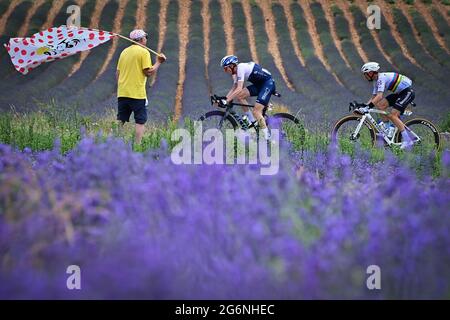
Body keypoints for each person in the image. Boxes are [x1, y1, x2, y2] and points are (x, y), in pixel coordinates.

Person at [116, 29, 166, 145]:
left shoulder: (124, 52)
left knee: (121, 120)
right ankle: (137, 146)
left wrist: (122, 86)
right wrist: (159, 62)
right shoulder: (143, 52)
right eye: (145, 37)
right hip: (137, 93)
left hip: (122, 92)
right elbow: (148, 72)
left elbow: (117, 73)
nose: (146, 40)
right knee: (140, 120)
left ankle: (114, 143)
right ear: (142, 39)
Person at [360, 62, 415, 149]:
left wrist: (368, 107)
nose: (365, 76)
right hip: (399, 93)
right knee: (380, 105)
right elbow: (374, 97)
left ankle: (408, 140)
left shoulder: (381, 78)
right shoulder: (376, 81)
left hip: (407, 92)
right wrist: (363, 105)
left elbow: (379, 96)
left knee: (393, 115)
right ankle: (388, 129)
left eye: (365, 74)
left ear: (371, 73)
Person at [220, 55, 276, 141]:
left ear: (232, 66)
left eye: (225, 68)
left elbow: (239, 88)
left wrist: (226, 100)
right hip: (259, 85)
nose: (225, 71)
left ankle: (268, 138)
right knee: (240, 96)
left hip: (267, 84)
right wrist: (224, 99)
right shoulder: (235, 73)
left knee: (256, 111)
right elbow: (234, 88)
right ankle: (252, 121)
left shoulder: (241, 68)